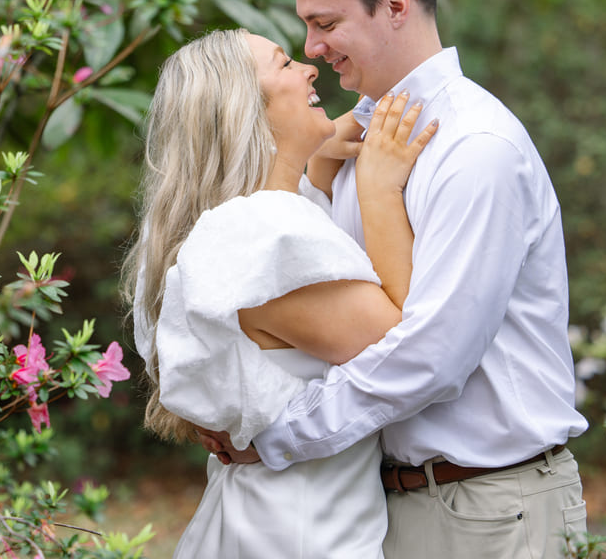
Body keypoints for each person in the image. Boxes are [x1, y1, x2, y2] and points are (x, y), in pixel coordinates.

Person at [205, 0, 590, 559]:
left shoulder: (476, 148)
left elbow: (428, 358)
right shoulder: (354, 142)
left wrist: (273, 436)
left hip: (494, 512)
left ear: (394, 5)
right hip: (387, 511)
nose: (311, 47)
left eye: (325, 22)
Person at [124, 27, 437, 558]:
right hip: (304, 532)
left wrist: (314, 159)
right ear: (247, 108)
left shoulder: (225, 232)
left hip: (263, 518)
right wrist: (379, 189)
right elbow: (407, 343)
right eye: (285, 63)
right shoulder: (261, 237)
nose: (310, 68)